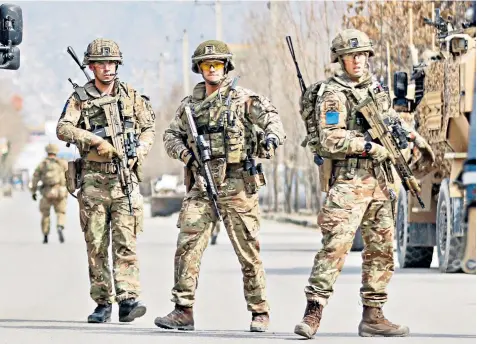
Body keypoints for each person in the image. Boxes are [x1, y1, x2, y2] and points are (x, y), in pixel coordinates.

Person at [294, 29, 435, 339]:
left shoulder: (376, 88)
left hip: (381, 181)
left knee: (382, 250)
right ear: (339, 59)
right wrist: (370, 147)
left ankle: (374, 315)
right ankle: (313, 312)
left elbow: (388, 121)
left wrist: (409, 135)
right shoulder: (333, 93)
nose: (358, 60)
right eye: (351, 55)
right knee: (335, 247)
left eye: (362, 55)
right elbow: (331, 138)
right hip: (349, 180)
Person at [154, 39, 286, 332]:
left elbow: (272, 120)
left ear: (226, 67)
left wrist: (271, 138)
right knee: (187, 245)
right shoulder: (189, 106)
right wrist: (187, 154)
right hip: (202, 182)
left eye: (217, 64)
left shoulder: (244, 99)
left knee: (247, 249)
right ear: (199, 68)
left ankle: (260, 311)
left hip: (237, 183)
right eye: (206, 64)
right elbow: (170, 136)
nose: (212, 69)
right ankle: (183, 310)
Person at [56, 38, 156, 324]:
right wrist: (94, 140)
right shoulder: (79, 97)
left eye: (111, 63)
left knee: (126, 241)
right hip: (93, 180)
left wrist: (139, 151)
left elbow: (148, 127)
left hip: (124, 177)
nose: (107, 69)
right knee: (96, 243)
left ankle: (128, 299)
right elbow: (63, 128)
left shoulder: (131, 96)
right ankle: (103, 302)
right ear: (91, 66)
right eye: (101, 64)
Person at [31, 143, 68, 244]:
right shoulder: (62, 163)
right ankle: (60, 226)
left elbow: (35, 178)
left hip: (46, 192)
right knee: (60, 213)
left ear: (47, 151)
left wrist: (33, 191)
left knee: (45, 215)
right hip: (60, 192)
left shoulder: (42, 164)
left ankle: (45, 235)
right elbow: (69, 176)